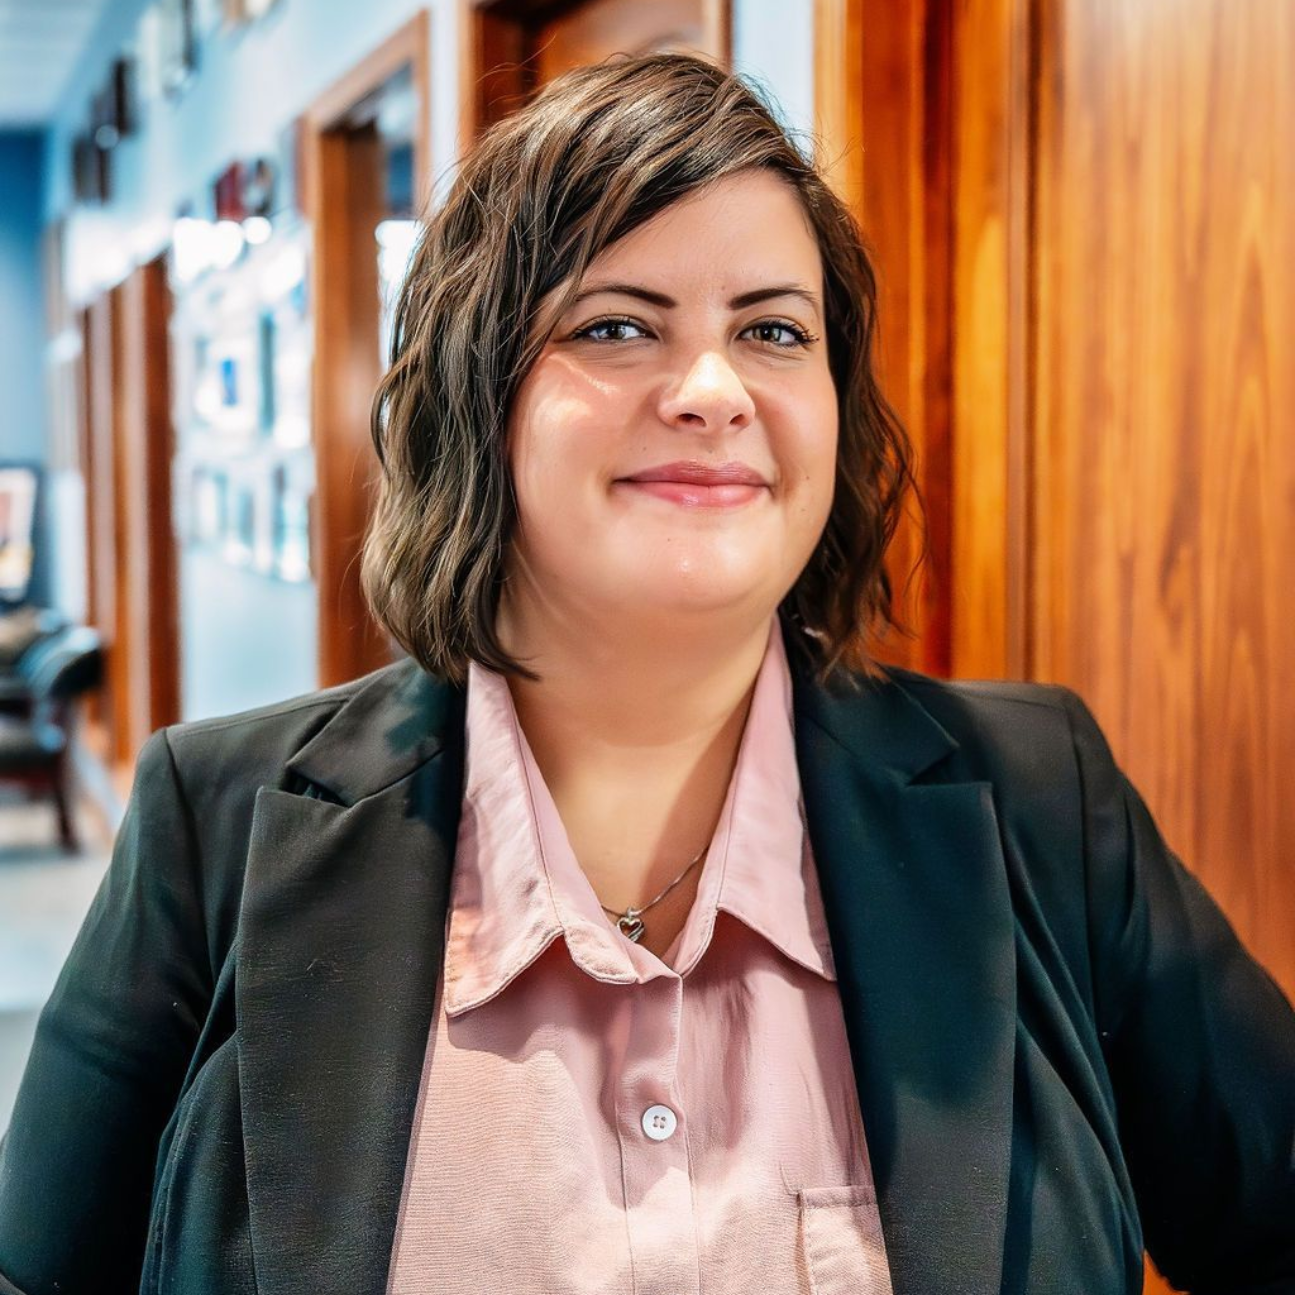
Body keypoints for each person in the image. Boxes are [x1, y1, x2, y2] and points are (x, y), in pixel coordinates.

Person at [1, 52, 1292, 1295]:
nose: (715, 389)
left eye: (776, 331)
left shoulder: (1045, 804)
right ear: (476, 396)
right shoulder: (213, 823)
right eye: (617, 325)